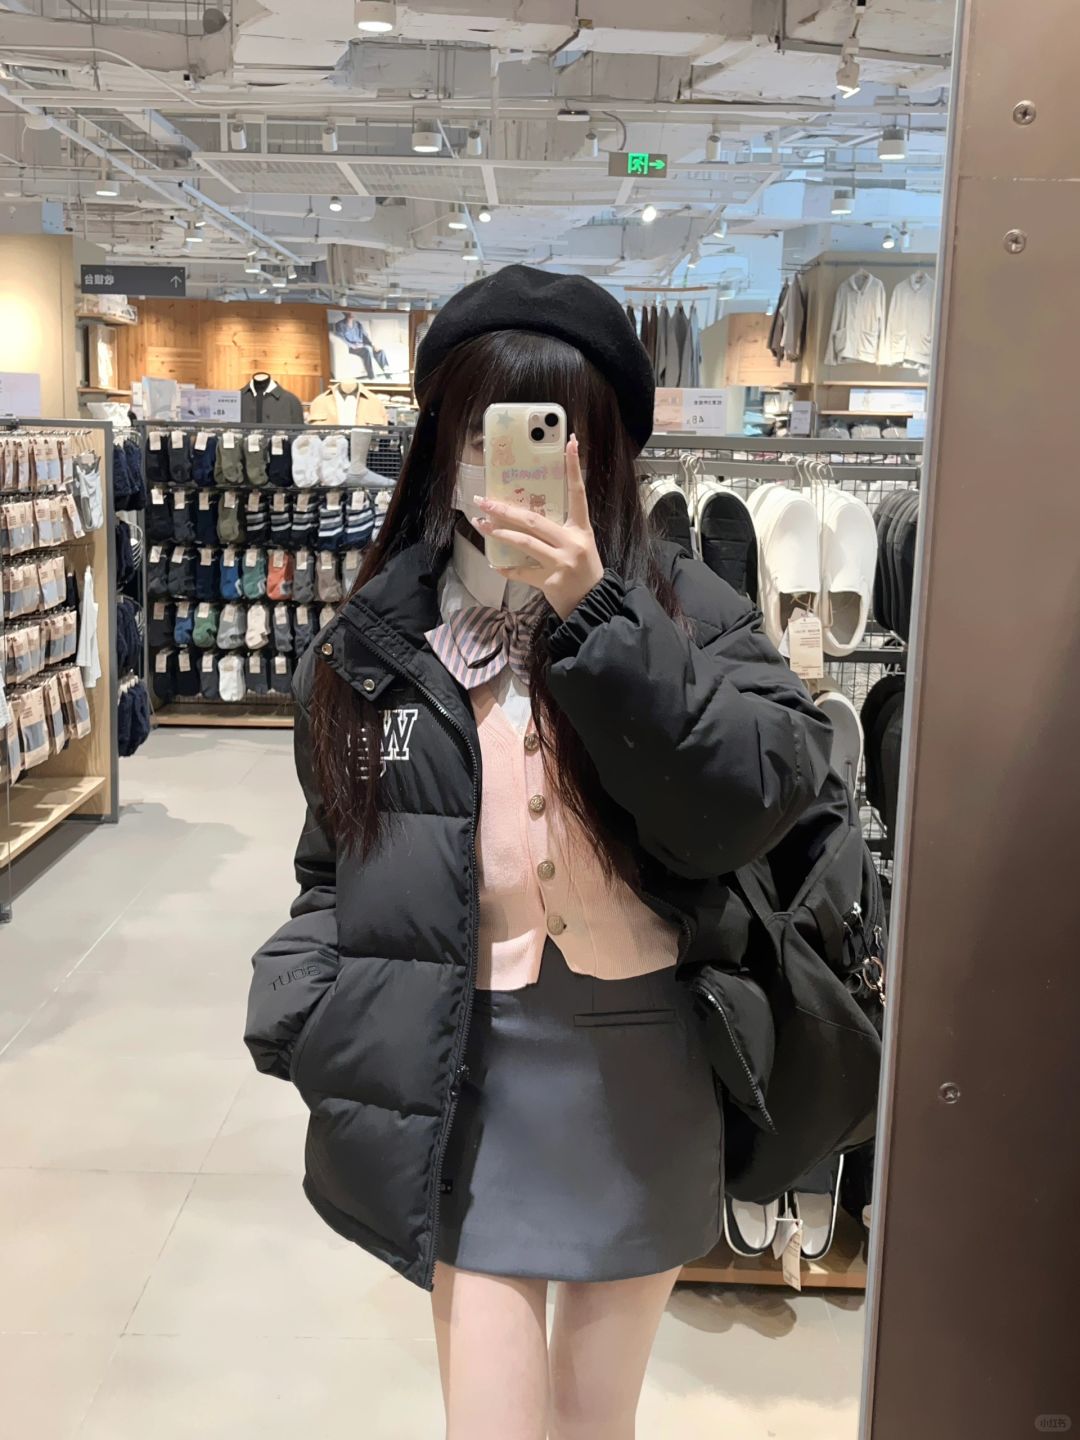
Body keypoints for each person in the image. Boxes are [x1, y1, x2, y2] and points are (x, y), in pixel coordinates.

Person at [245, 265, 832, 1440]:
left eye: (544, 432)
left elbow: (749, 802)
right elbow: (332, 865)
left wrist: (597, 614)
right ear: (441, 445)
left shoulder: (691, 612)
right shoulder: (376, 640)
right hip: (461, 1075)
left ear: (597, 449)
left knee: (594, 1419)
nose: (499, 462)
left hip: (646, 1076)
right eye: (478, 431)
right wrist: (310, 1009)